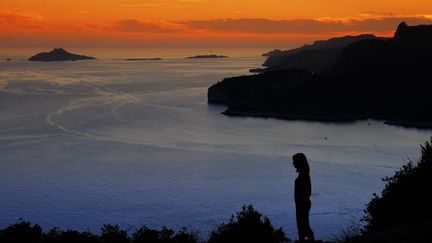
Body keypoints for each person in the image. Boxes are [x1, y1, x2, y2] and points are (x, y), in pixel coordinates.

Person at [292, 153, 315, 242]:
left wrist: (301, 200)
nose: (293, 164)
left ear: (300, 162)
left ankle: (310, 239)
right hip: (301, 203)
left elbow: (308, 191)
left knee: (303, 225)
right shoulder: (303, 174)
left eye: (294, 161)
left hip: (303, 204)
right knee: (301, 225)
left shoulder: (304, 176)